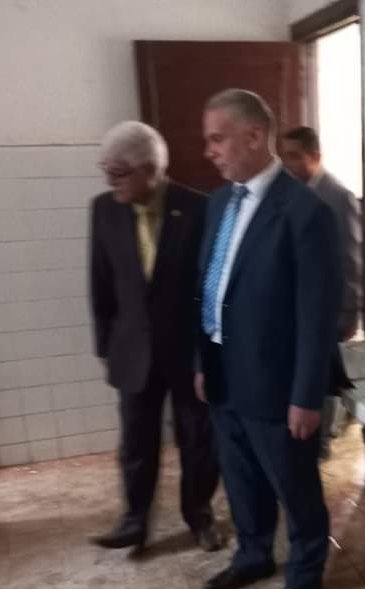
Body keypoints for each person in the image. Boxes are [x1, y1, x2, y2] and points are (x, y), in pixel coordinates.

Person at [195, 90, 341, 589]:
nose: (209, 151)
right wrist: (201, 361)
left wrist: (307, 396)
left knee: (294, 486)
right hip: (223, 372)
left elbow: (317, 316)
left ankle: (305, 573)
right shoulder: (218, 203)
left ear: (255, 136)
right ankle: (253, 555)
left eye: (218, 139)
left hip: (277, 384)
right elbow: (210, 289)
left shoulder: (305, 212)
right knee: (239, 477)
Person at [89, 121, 221, 553]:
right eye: (106, 170)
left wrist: (211, 355)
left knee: (197, 441)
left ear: (150, 170)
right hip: (132, 351)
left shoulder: (198, 209)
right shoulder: (104, 209)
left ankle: (199, 516)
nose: (109, 181)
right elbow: (100, 282)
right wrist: (106, 347)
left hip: (187, 354)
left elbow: (209, 290)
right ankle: (134, 521)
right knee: (135, 441)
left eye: (118, 172)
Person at [280, 126, 363, 458]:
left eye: (295, 156)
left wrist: (350, 314)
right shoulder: (288, 193)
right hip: (295, 310)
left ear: (315, 156)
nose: (288, 164)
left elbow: (350, 261)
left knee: (323, 376)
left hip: (329, 310)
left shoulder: (338, 196)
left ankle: (323, 442)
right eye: (284, 156)